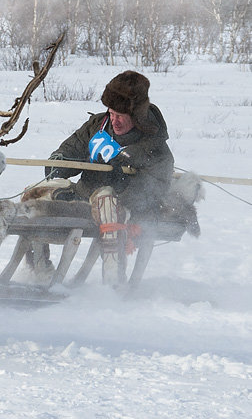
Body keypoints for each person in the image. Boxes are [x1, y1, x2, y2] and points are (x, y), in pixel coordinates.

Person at [27, 70, 174, 286]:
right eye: (111, 113)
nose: (114, 121)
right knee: (33, 194)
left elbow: (155, 190)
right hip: (84, 195)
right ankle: (40, 275)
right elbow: (63, 154)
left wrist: (121, 185)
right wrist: (59, 166)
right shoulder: (98, 126)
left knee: (107, 199)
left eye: (121, 116)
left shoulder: (155, 146)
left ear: (138, 117)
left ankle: (113, 283)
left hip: (125, 209)